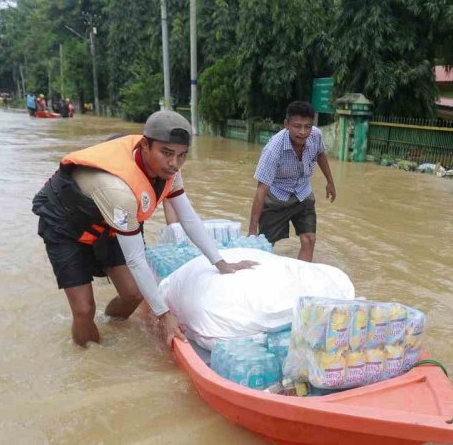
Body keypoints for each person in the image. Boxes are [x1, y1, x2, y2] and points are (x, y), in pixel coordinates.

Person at [32, 111, 257, 346]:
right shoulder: (120, 192)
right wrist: (165, 315)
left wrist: (220, 263)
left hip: (111, 221)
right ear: (145, 146)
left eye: (182, 155)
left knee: (133, 294)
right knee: (84, 310)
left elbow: (188, 218)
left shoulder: (170, 172)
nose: (174, 163)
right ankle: (89, 357)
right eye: (166, 153)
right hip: (65, 220)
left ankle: (110, 325)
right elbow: (136, 259)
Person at [248, 101, 336, 262]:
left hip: (303, 193)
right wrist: (252, 229)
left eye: (307, 126)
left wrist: (330, 182)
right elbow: (261, 189)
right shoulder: (273, 149)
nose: (303, 132)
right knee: (265, 245)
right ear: (286, 124)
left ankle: (302, 279)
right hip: (277, 197)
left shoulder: (315, 135)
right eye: (297, 126)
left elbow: (321, 154)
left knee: (309, 238)